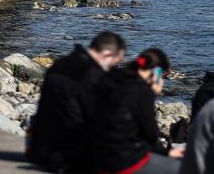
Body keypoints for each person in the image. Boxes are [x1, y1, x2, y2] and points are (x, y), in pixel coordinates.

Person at [27, 31, 128, 172]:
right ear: (107, 55)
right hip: (69, 157)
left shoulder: (60, 63)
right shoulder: (94, 76)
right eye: (116, 62)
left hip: (38, 149)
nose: (114, 68)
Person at [90, 48, 180, 174]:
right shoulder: (142, 92)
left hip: (95, 156)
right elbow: (150, 135)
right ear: (156, 73)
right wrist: (168, 152)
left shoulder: (113, 79)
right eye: (163, 76)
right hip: (122, 162)